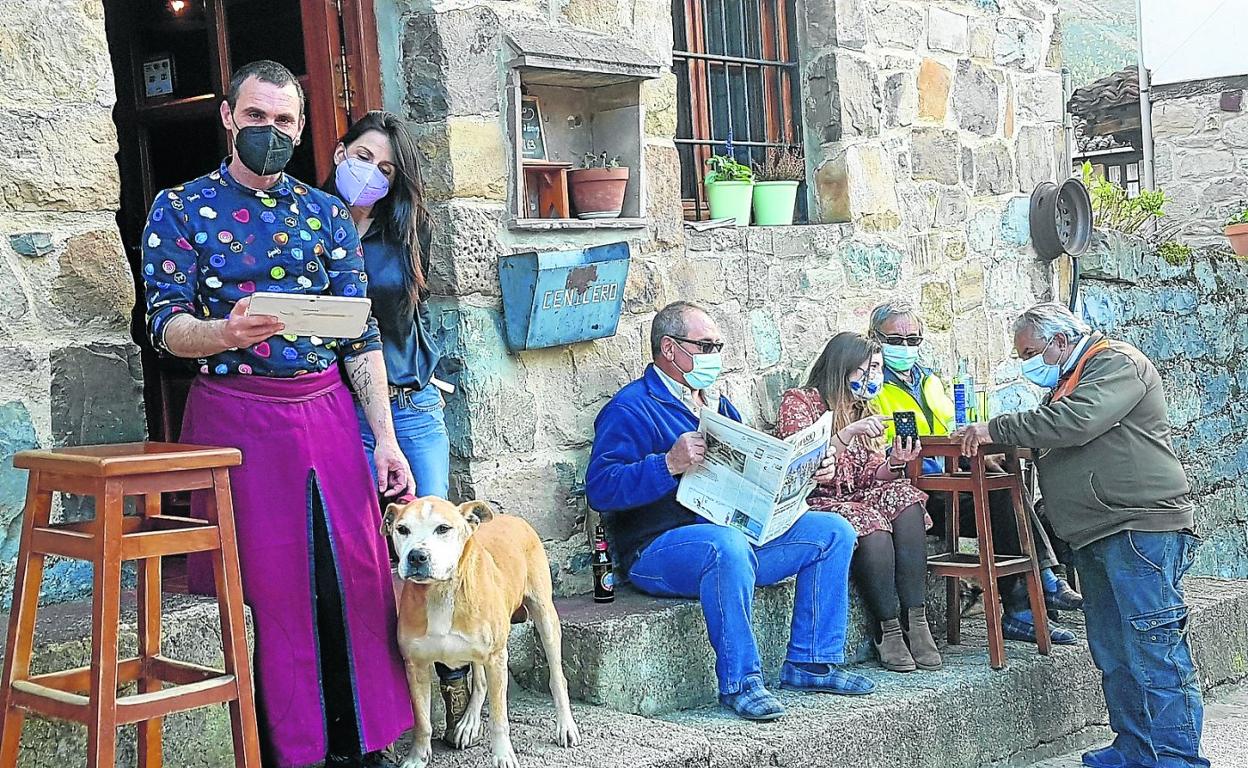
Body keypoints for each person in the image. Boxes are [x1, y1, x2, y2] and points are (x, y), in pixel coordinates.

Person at [141, 60, 412, 768]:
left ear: (300, 129)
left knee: (352, 576)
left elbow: (361, 334)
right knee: (260, 588)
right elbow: (164, 326)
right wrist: (221, 333)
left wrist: (384, 439)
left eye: (284, 121)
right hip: (233, 418)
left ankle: (363, 743)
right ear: (228, 118)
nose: (270, 131)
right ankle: (274, 749)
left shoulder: (326, 214)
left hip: (325, 412)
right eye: (256, 117)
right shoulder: (178, 208)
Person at [586, 302, 874, 722]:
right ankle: (741, 682)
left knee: (833, 531)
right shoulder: (631, 407)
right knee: (728, 546)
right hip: (658, 552)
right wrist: (666, 465)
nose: (715, 354)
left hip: (731, 536)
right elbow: (601, 488)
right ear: (669, 348)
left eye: (718, 345)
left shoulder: (718, 404)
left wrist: (811, 470)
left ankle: (811, 663)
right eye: (705, 345)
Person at [958, 303, 1207, 768]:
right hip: (1096, 531)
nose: (1027, 363)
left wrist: (997, 429)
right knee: (1114, 651)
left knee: (1156, 651)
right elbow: (1055, 438)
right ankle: (1134, 747)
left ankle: (1177, 759)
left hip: (1139, 527)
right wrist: (1009, 449)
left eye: (1031, 352)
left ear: (1059, 340)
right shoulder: (1069, 381)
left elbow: (1077, 424)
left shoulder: (1115, 363)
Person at [321, 110, 474, 748]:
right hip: (343, 412)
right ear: (337, 153)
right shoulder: (308, 223)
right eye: (362, 159)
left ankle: (458, 687)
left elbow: (402, 319)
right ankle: (385, 707)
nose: (372, 176)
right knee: (366, 556)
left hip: (412, 407)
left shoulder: (403, 227)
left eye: (386, 169)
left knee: (437, 550)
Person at [866, 302, 1083, 645]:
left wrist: (978, 458)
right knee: (998, 498)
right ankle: (1033, 594)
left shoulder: (929, 380)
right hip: (915, 490)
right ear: (875, 339)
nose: (905, 347)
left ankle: (1037, 596)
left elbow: (956, 429)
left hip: (951, 479)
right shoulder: (872, 387)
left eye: (913, 339)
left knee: (1008, 485)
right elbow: (880, 447)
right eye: (896, 339)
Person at [776, 332, 940, 674]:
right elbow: (800, 465)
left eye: (877, 369)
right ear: (842, 368)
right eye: (865, 369)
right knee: (870, 522)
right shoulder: (800, 402)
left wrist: (894, 462)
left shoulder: (866, 408)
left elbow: (871, 477)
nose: (872, 378)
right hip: (817, 500)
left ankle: (917, 619)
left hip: (857, 494)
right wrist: (847, 434)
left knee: (905, 498)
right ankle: (888, 627)